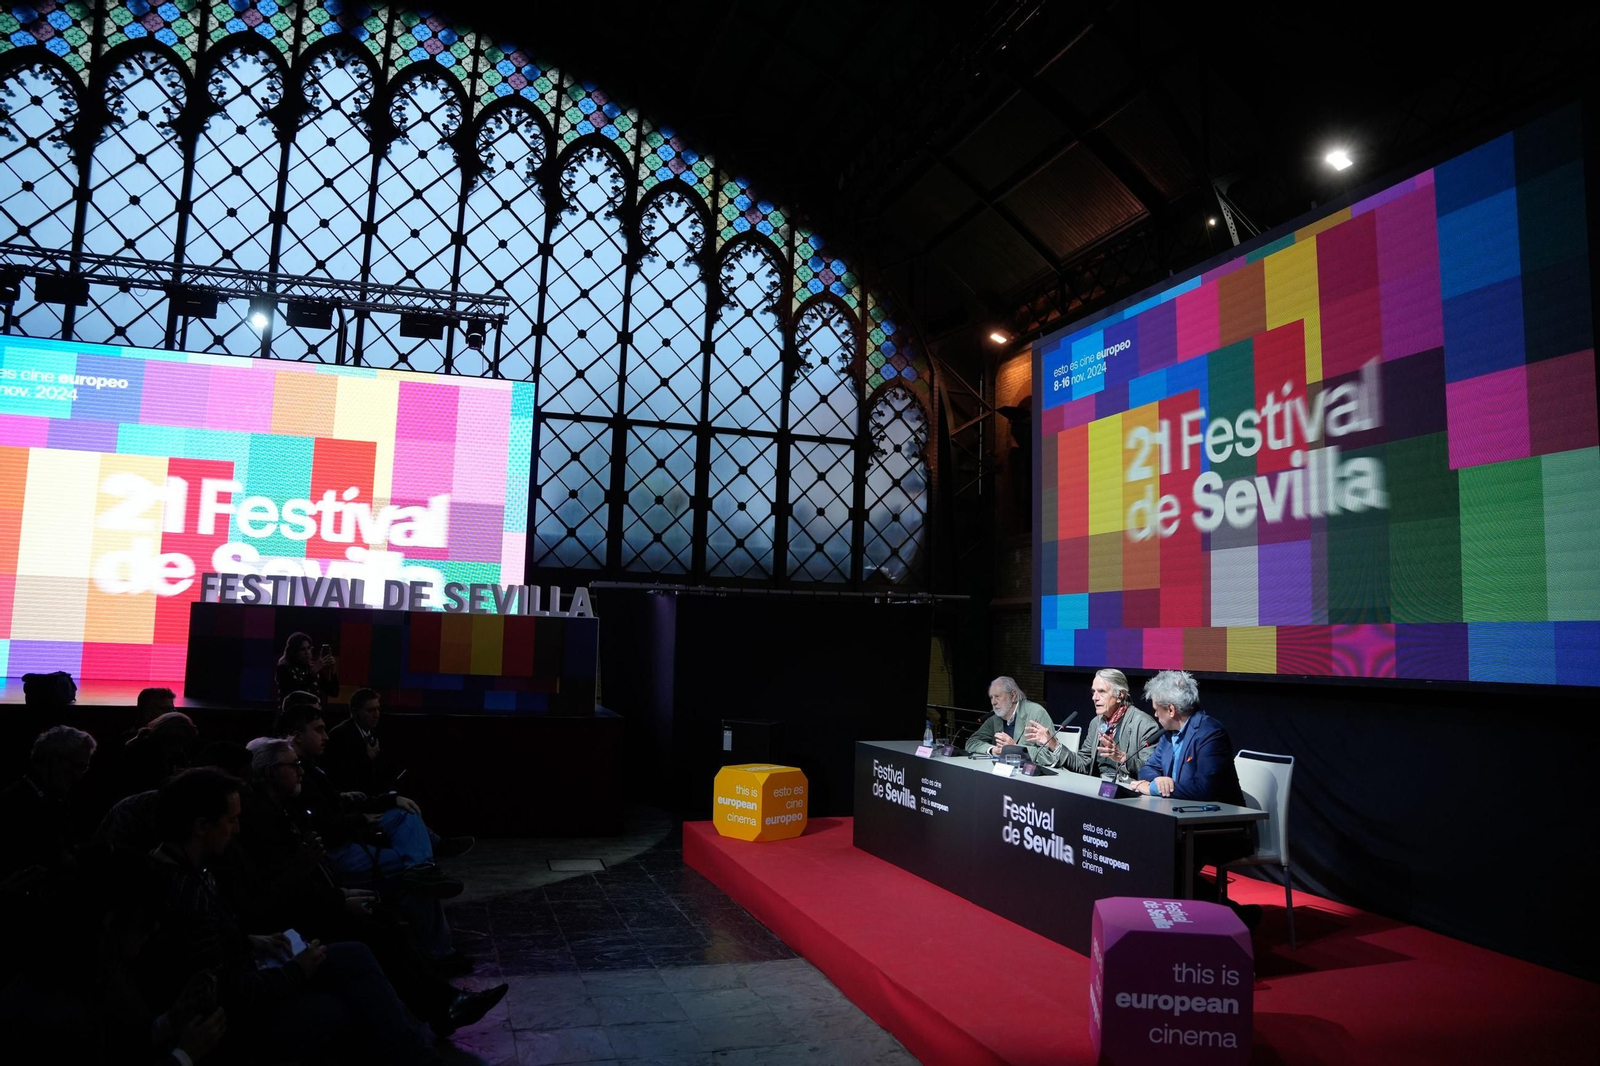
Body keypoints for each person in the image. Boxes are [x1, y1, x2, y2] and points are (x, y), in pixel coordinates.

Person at [142, 767, 439, 1065]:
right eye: (231, 821)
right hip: (239, 1013)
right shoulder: (188, 896)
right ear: (201, 827)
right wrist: (297, 970)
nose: (237, 830)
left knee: (355, 953)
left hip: (250, 964)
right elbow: (229, 995)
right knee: (341, 999)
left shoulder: (184, 867)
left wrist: (251, 940)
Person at [241, 738, 505, 1032]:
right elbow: (281, 887)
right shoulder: (265, 820)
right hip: (311, 903)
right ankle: (441, 1002)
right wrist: (339, 899)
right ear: (268, 772)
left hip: (324, 887)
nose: (300, 770)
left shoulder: (283, 809)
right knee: (384, 920)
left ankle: (442, 1004)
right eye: (293, 765)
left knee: (395, 898)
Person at [0, 725, 96, 879]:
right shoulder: (17, 806)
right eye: (76, 767)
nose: (78, 776)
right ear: (53, 761)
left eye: (83, 768)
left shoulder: (49, 797)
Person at [1024, 669, 1161, 777]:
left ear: (1120, 695)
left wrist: (1122, 758)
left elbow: (1151, 771)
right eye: (1093, 692)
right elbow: (1083, 765)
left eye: (1101, 692)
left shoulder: (1143, 724)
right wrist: (1054, 745)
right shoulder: (1096, 723)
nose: (1094, 697)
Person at [964, 676, 1054, 761]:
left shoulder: (1036, 713)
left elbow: (1049, 754)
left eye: (997, 696)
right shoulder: (995, 718)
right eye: (991, 697)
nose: (993, 702)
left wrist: (1016, 749)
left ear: (1013, 695)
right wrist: (992, 750)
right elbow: (971, 742)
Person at [324, 687, 395, 796]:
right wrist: (368, 758)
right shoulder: (339, 735)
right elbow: (341, 776)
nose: (376, 715)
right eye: (370, 710)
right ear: (354, 711)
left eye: (378, 709)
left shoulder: (374, 733)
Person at [275, 632, 339, 705]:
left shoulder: (311, 669)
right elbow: (295, 693)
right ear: (293, 651)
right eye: (303, 649)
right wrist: (314, 671)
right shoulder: (283, 668)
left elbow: (334, 692)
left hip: (313, 714)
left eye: (309, 648)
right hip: (292, 714)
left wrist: (333, 669)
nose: (307, 652)